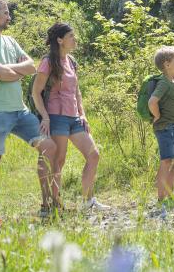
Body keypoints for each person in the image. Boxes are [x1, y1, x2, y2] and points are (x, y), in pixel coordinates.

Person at [0, 0, 60, 218]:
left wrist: (6, 70)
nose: (9, 17)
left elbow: (33, 66)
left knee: (49, 147)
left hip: (20, 111)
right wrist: (7, 72)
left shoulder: (11, 41)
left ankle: (47, 205)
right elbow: (3, 73)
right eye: (5, 12)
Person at [31, 23, 110, 210]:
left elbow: (77, 91)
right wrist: (45, 117)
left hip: (74, 117)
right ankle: (54, 204)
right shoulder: (48, 62)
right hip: (56, 117)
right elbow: (36, 92)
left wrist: (83, 114)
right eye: (71, 36)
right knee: (58, 161)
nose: (75, 39)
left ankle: (88, 201)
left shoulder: (71, 61)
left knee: (93, 155)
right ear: (60, 40)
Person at [148, 46, 174, 213]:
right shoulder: (164, 82)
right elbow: (152, 102)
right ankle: (161, 198)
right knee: (166, 161)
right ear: (167, 64)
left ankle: (169, 194)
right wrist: (156, 116)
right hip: (164, 128)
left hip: (173, 128)